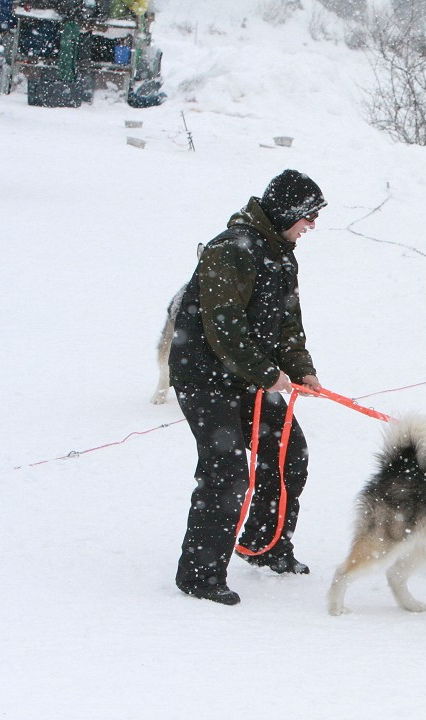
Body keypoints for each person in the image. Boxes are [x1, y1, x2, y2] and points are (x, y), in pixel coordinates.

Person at [170, 169, 327, 606]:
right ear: (287, 212)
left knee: (288, 452)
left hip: (246, 376)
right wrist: (264, 372)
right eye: (308, 216)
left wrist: (301, 369)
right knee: (226, 470)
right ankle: (199, 576)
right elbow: (223, 324)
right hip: (204, 376)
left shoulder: (282, 252)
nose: (312, 225)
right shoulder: (232, 248)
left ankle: (266, 543)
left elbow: (288, 323)